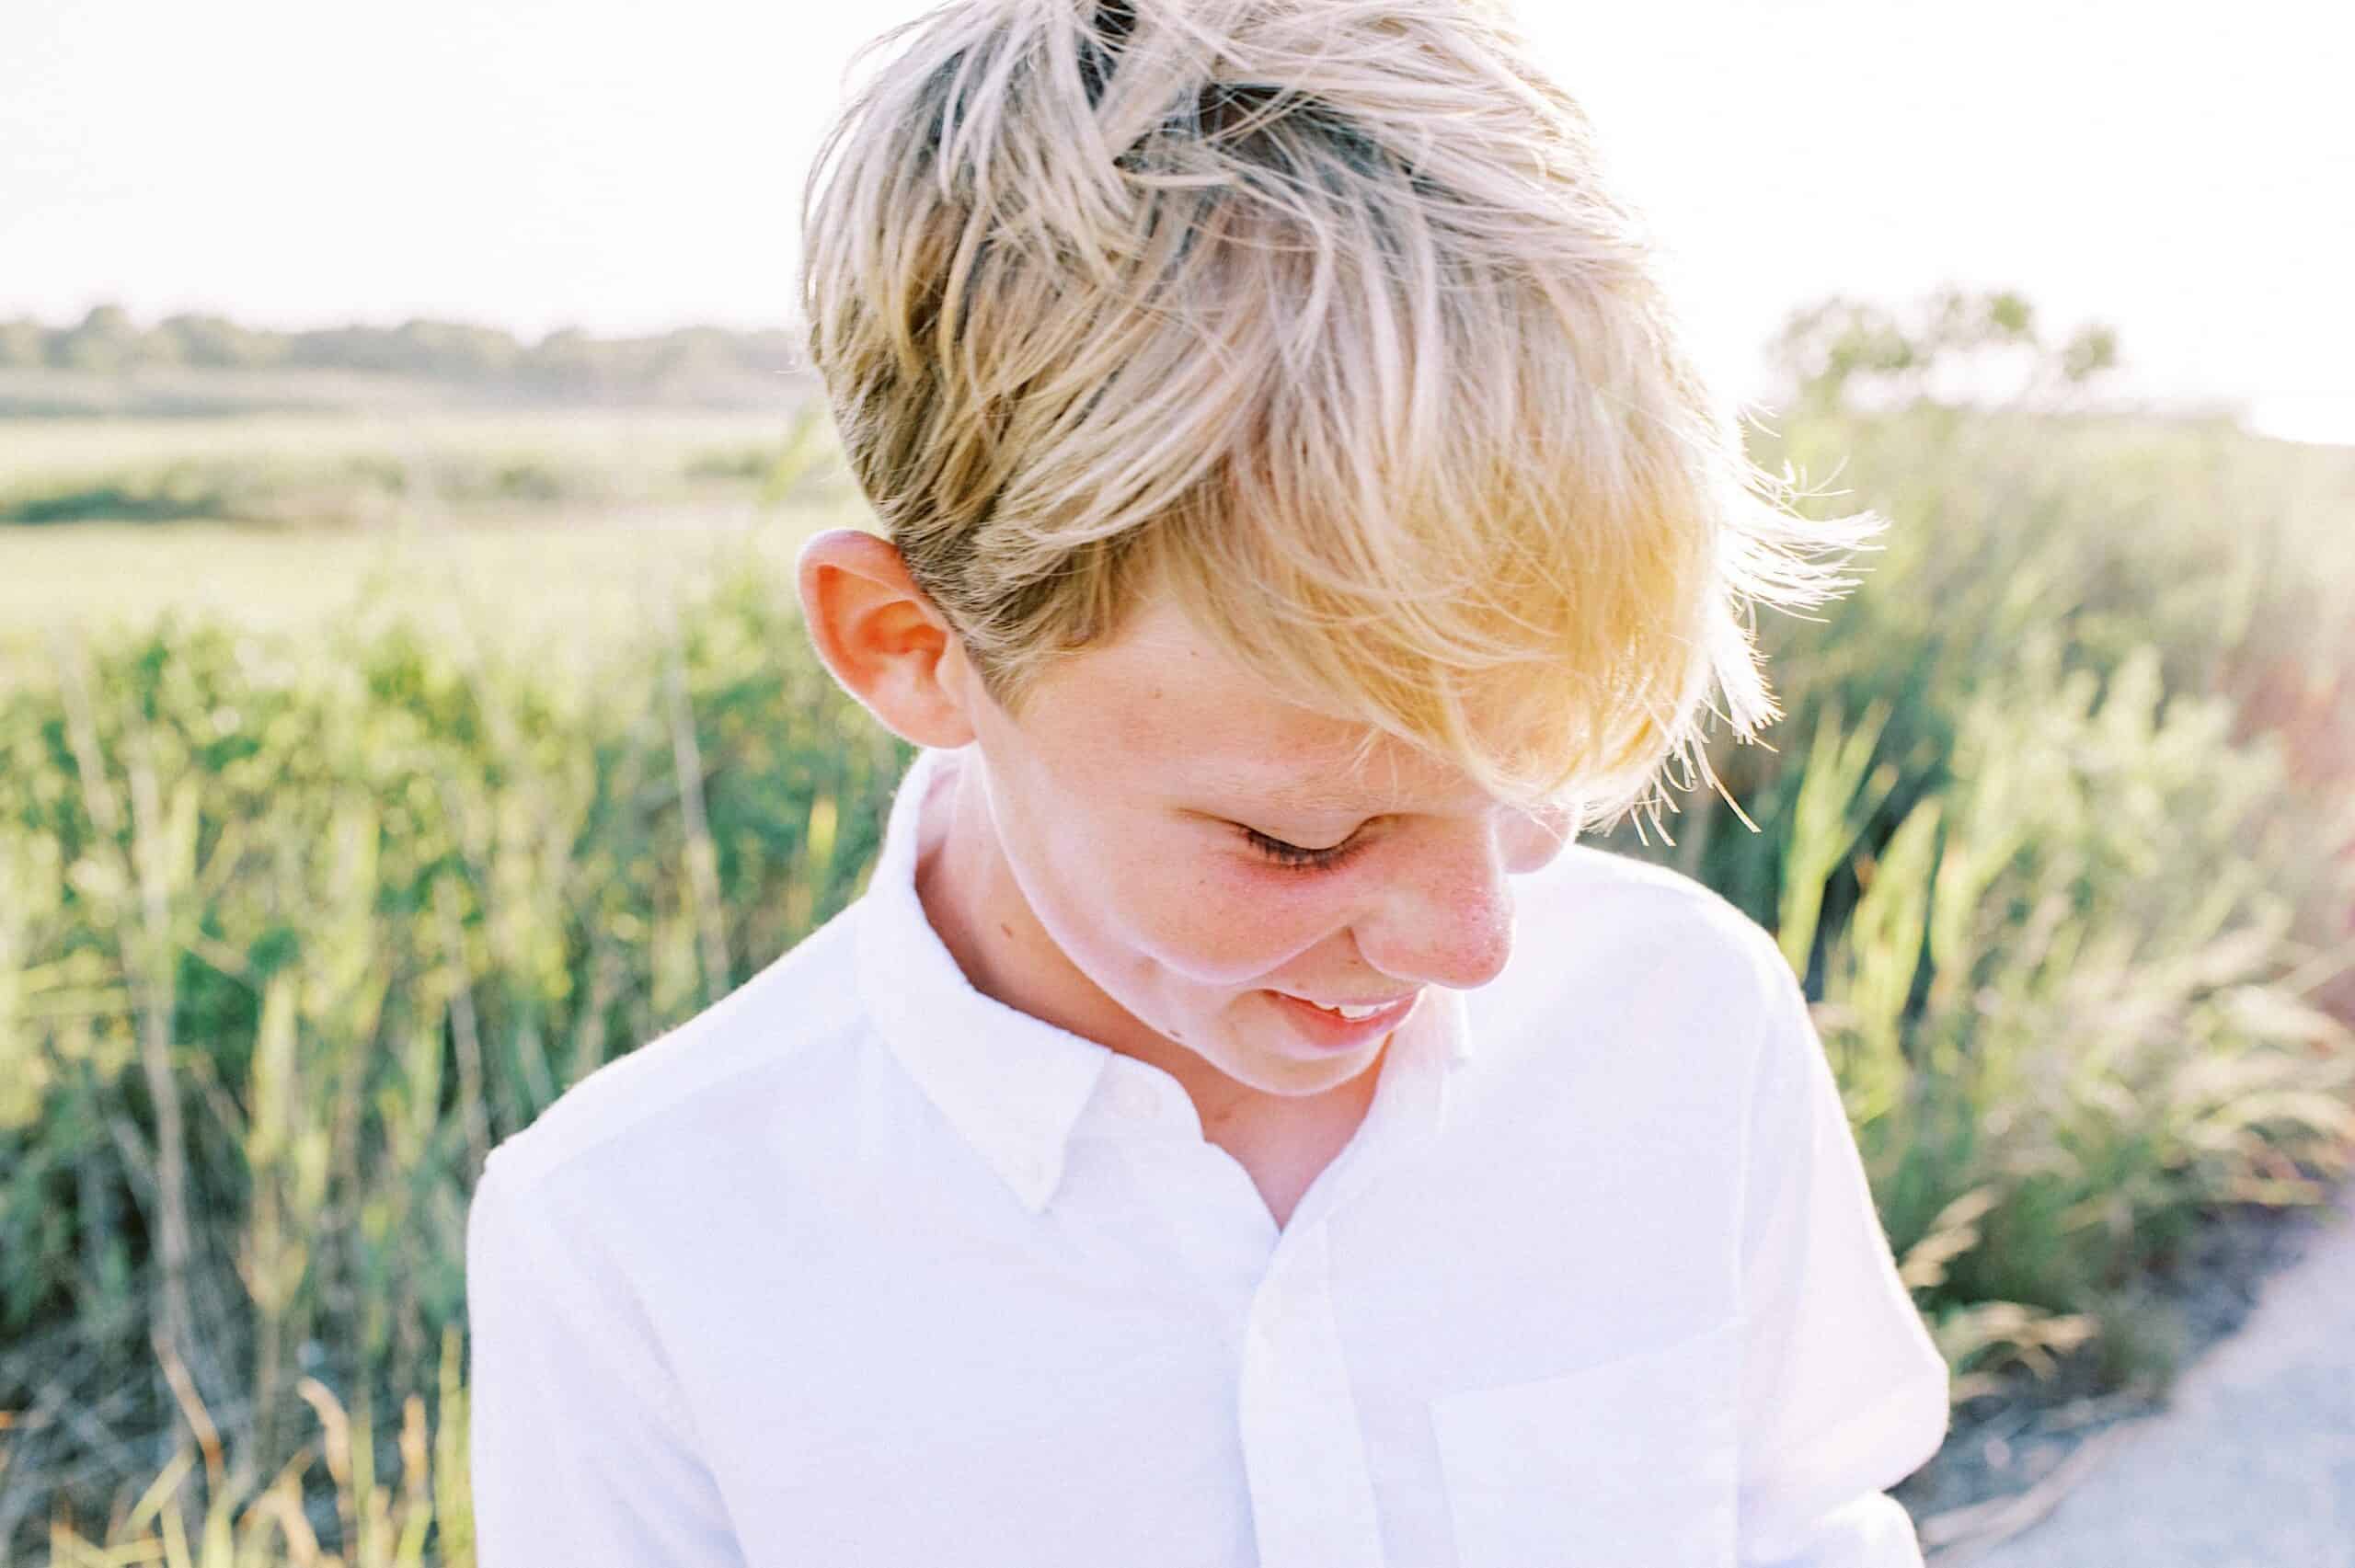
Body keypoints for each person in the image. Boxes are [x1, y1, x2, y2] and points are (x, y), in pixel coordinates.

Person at [464, 1, 1951, 1562]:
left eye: (1534, 778)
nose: (1474, 943)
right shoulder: (632, 1242)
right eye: (1300, 837)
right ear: (914, 647)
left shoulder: (1682, 1019)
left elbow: (1807, 1522)